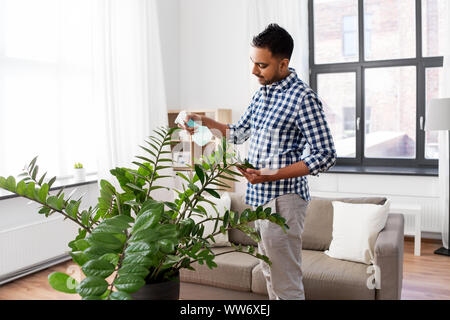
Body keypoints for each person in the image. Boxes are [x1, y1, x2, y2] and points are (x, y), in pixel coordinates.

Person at [178, 23, 337, 300]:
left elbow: (325, 155)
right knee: (269, 273)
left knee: (285, 281)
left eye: (261, 65)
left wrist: (271, 175)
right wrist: (203, 121)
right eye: (253, 62)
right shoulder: (261, 94)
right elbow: (237, 133)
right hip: (258, 198)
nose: (254, 71)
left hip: (284, 200)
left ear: (283, 63)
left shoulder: (303, 98)